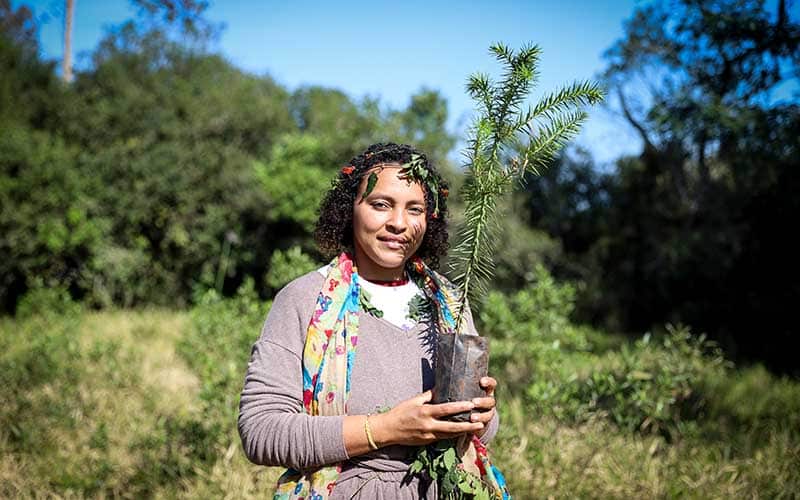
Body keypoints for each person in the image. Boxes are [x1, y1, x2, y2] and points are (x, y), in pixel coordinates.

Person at [238, 143, 508, 499]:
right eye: (381, 204)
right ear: (350, 209)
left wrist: (482, 416)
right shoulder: (304, 300)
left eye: (415, 210)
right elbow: (262, 431)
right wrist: (385, 429)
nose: (398, 223)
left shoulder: (449, 303)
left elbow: (481, 436)